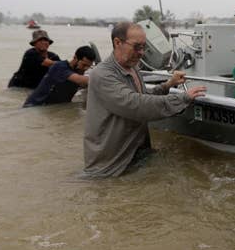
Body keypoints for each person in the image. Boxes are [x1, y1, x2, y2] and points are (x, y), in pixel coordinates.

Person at [83, 22, 207, 177]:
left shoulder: (133, 67)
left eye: (144, 47)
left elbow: (143, 97)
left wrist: (168, 84)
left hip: (136, 153)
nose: (141, 53)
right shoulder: (102, 74)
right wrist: (182, 99)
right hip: (110, 167)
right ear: (117, 43)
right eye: (136, 47)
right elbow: (137, 106)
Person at [23, 45, 95, 107]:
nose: (86, 68)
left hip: (52, 107)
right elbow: (79, 80)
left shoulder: (78, 72)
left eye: (88, 66)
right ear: (75, 58)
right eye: (84, 65)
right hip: (35, 107)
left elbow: (84, 83)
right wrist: (102, 78)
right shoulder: (59, 67)